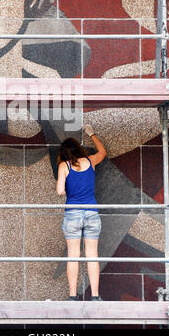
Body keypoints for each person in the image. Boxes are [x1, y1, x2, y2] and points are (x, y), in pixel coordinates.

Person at [56, 124, 107, 301]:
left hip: (72, 214)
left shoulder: (64, 166)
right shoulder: (91, 161)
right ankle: (95, 296)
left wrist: (67, 187)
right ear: (78, 149)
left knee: (73, 256)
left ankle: (72, 296)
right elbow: (103, 152)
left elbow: (59, 191)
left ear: (64, 153)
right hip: (92, 213)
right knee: (92, 255)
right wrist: (91, 133)